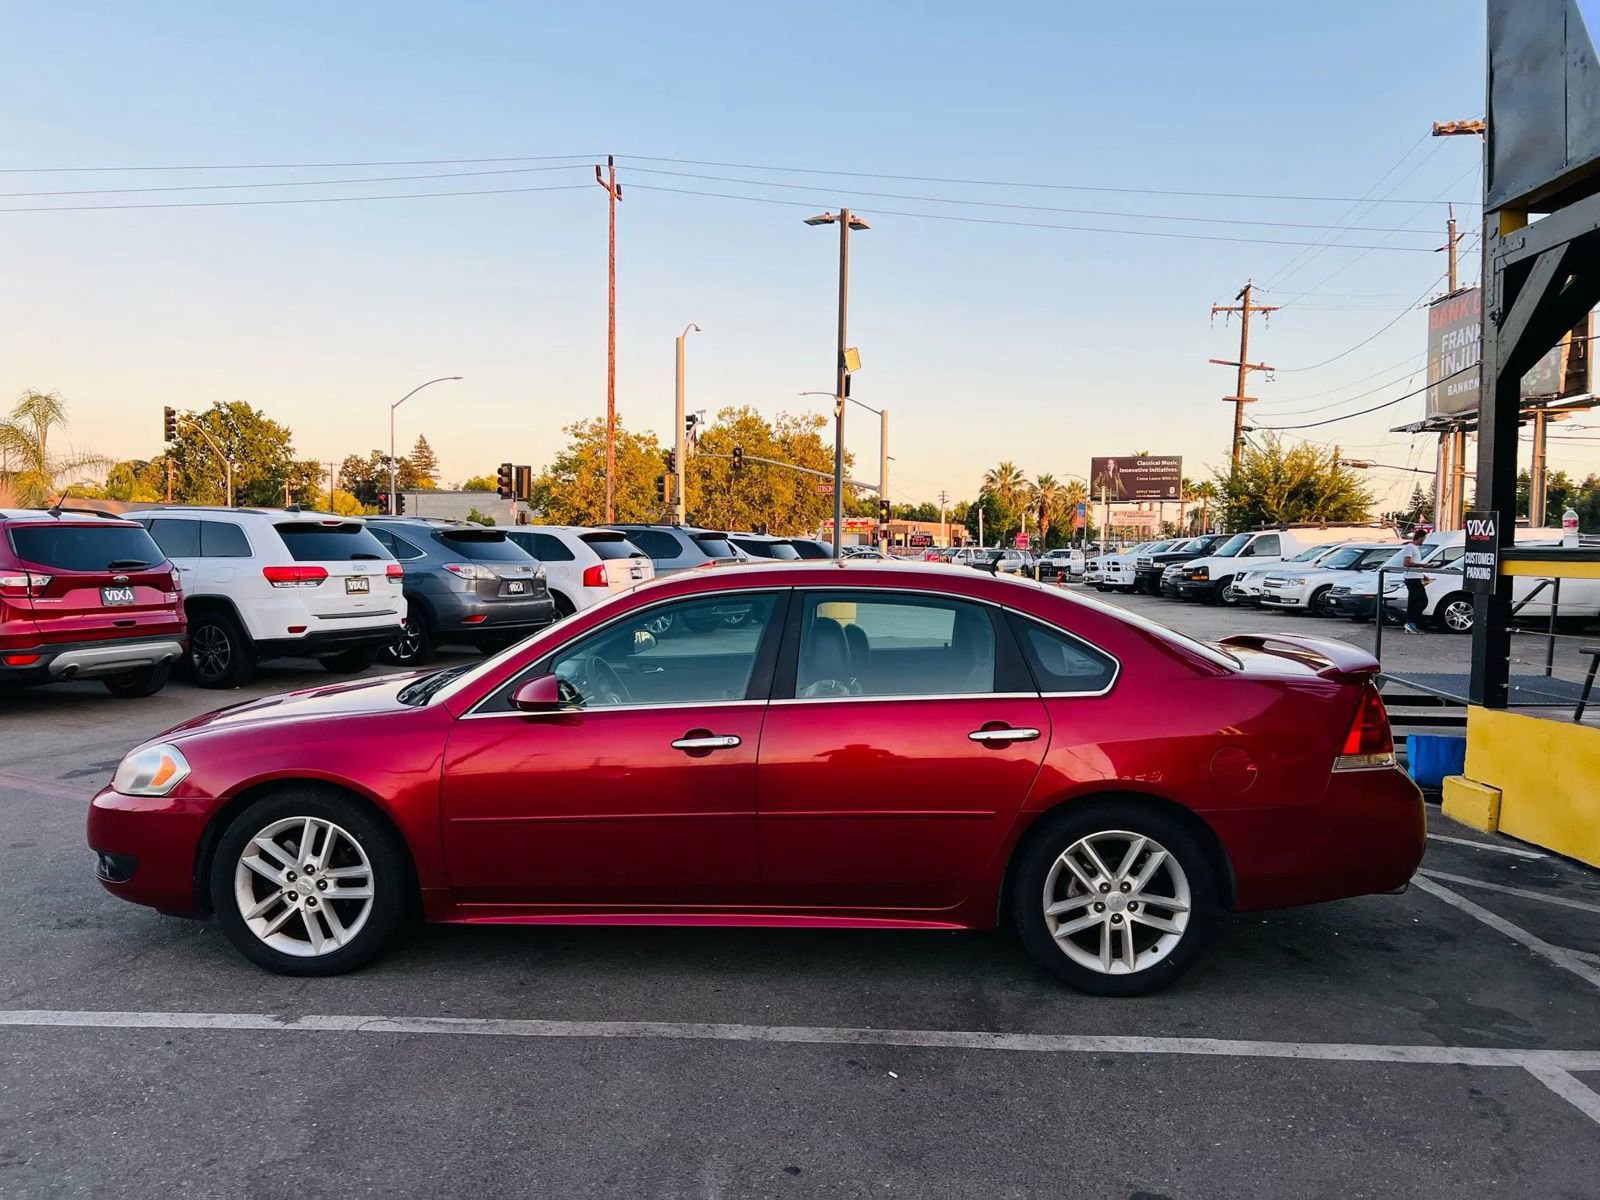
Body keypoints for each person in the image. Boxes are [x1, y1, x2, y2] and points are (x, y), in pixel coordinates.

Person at [1400, 527, 1434, 633]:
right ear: (1420, 537)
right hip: (1412, 579)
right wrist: (1423, 566)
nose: (1424, 541)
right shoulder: (1410, 547)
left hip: (1415, 577)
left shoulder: (1414, 548)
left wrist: (1422, 574)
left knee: (1414, 601)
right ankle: (1411, 622)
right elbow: (1406, 563)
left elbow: (1413, 563)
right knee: (1422, 600)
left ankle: (1411, 623)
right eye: (1424, 538)